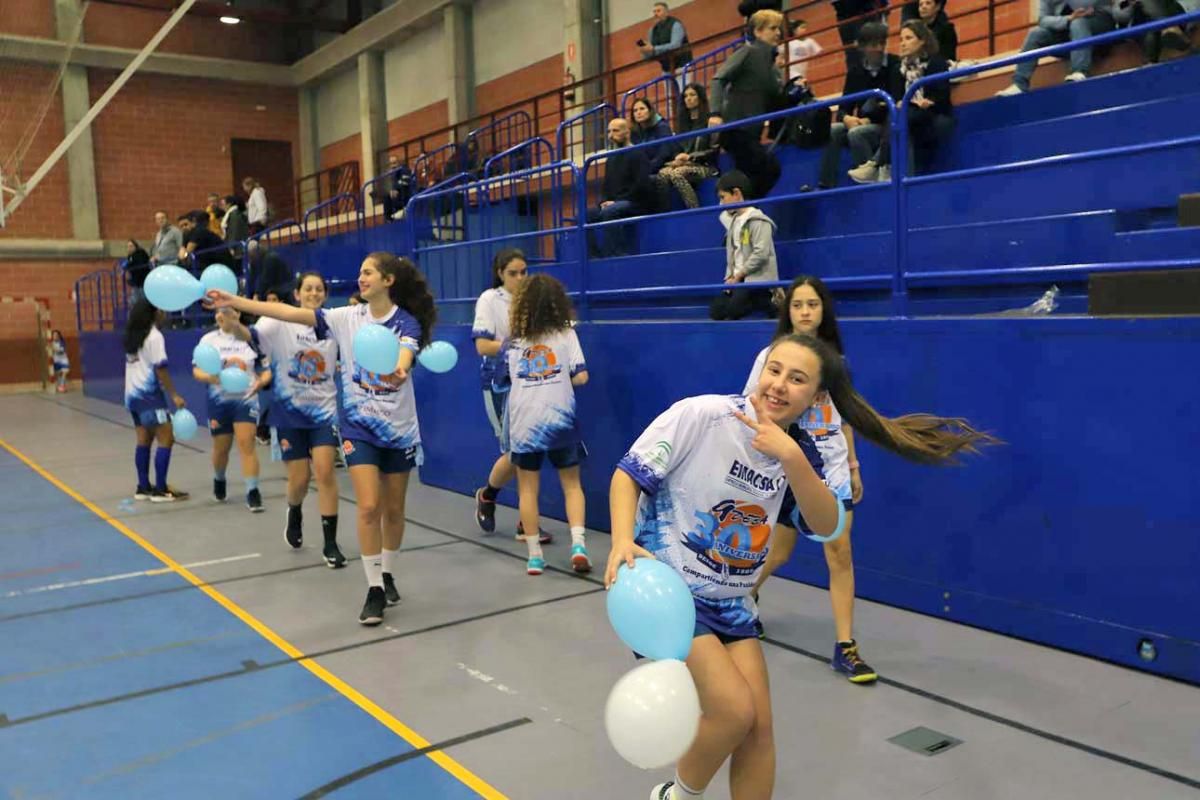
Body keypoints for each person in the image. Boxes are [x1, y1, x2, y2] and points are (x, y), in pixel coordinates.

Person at [606, 333, 997, 800]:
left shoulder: (801, 453)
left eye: (797, 379)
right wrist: (622, 539)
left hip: (732, 604)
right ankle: (674, 798)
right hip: (673, 593)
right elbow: (628, 475)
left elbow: (827, 524)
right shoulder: (703, 415)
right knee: (733, 710)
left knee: (759, 729)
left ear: (816, 397)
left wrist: (791, 457)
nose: (780, 385)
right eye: (775, 370)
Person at [206, 253, 437, 627]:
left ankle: (389, 571)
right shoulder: (345, 318)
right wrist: (236, 302)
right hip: (357, 427)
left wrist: (399, 368)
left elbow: (407, 351)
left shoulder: (404, 322)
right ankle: (374, 588)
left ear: (388, 280)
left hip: (398, 428)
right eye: (360, 271)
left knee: (394, 510)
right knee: (368, 506)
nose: (360, 278)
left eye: (368, 272)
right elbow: (285, 314)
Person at [743, 276, 874, 682]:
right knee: (778, 554)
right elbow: (754, 406)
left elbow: (846, 417)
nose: (804, 312)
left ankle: (846, 647)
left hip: (831, 471)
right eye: (798, 304)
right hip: (789, 469)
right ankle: (745, 598)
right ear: (789, 311)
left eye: (812, 305)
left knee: (840, 554)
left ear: (823, 311)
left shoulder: (836, 362)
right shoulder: (772, 356)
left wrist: (852, 466)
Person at [226, 272, 346, 567]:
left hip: (324, 411)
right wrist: (233, 324)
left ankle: (330, 543)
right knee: (299, 480)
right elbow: (250, 337)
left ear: (325, 295)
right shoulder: (276, 322)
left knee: (325, 471)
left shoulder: (332, 323)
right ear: (297, 294)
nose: (314, 293)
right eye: (308, 289)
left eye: (320, 289)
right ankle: (294, 511)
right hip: (290, 414)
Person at [496, 274, 591, 575]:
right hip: (560, 420)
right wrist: (561, 379)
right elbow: (582, 376)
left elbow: (501, 381)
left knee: (527, 490)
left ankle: (535, 556)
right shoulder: (566, 334)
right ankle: (578, 545)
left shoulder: (511, 344)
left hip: (524, 425)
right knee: (572, 486)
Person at [471, 249, 550, 545]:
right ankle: (491, 498)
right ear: (500, 274)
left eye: (523, 271)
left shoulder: (534, 300)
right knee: (517, 451)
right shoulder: (490, 300)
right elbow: (482, 345)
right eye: (513, 273)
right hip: (499, 383)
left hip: (532, 383)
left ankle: (516, 516)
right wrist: (516, 347)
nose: (519, 278)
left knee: (529, 450)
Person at [851, 20, 952, 183]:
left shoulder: (936, 63)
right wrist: (899, 103)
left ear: (922, 41)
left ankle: (877, 165)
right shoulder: (897, 69)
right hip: (905, 116)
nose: (903, 43)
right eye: (901, 39)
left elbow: (942, 98)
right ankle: (881, 175)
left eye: (908, 38)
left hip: (932, 115)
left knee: (902, 118)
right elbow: (896, 97)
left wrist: (928, 102)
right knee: (862, 132)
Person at [193, 307, 271, 513]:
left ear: (237, 314)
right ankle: (219, 479)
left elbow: (266, 370)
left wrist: (261, 383)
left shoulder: (251, 339)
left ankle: (253, 492)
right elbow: (197, 370)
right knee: (221, 448)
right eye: (217, 312)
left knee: (247, 444)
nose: (220, 315)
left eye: (226, 311)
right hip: (219, 401)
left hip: (246, 400)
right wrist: (210, 378)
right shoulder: (208, 340)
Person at [709, 9, 788, 199]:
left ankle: (742, 209)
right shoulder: (748, 52)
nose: (778, 33)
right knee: (768, 168)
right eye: (772, 28)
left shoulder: (773, 67)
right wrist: (715, 113)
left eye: (779, 28)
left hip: (751, 131)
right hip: (736, 128)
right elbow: (718, 78)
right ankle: (741, 207)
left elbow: (774, 100)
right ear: (758, 32)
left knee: (753, 174)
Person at [123, 298, 189, 502]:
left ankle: (143, 486)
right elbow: (160, 368)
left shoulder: (133, 336)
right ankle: (161, 489)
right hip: (149, 397)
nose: (164, 312)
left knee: (143, 440)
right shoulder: (154, 336)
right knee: (166, 437)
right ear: (152, 313)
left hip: (132, 397)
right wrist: (174, 395)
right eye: (160, 309)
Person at [995, 0, 1125, 95]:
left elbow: (1089, 5)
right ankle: (1019, 84)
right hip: (1069, 30)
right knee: (1036, 33)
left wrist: (1076, 15)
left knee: (1078, 22)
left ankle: (1079, 71)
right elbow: (1042, 19)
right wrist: (1068, 18)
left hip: (1100, 25)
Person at [711, 170, 778, 321]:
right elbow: (732, 254)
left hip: (755, 279)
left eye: (723, 197)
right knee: (716, 312)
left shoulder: (759, 220)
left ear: (736, 193)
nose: (721, 203)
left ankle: (767, 301)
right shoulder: (733, 222)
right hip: (738, 280)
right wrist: (729, 278)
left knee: (733, 311)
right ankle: (759, 302)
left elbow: (760, 254)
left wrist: (739, 275)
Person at [652, 83, 720, 210]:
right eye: (685, 96)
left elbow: (714, 150)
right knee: (662, 174)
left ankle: (694, 209)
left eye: (692, 95)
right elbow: (678, 149)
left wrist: (690, 157)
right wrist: (677, 159)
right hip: (685, 164)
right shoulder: (682, 124)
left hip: (706, 166)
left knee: (677, 174)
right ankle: (666, 212)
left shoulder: (710, 121)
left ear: (700, 97)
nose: (688, 98)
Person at [640, 2, 692, 77]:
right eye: (654, 12)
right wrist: (645, 51)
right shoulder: (652, 30)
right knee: (668, 88)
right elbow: (652, 50)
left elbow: (675, 45)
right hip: (666, 68)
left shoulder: (675, 24)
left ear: (666, 13)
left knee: (684, 88)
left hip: (682, 65)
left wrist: (654, 48)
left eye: (658, 11)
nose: (655, 14)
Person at [121, 240, 151, 304]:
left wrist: (127, 266)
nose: (129, 248)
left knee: (143, 300)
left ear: (135, 246)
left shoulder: (140, 253)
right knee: (134, 301)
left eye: (131, 246)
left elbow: (138, 264)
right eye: (128, 246)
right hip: (136, 283)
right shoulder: (130, 257)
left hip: (143, 282)